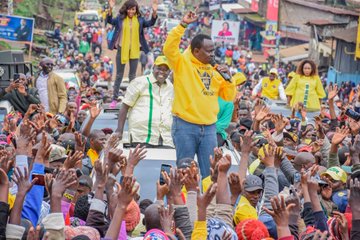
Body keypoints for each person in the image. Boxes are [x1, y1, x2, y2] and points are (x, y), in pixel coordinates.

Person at [163, 9, 236, 178]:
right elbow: (169, 48)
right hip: (185, 126)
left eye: (213, 50)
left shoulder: (215, 70)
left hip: (210, 128)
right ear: (196, 51)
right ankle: (184, 204)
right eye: (208, 51)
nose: (212, 54)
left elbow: (228, 97)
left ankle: (206, 205)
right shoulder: (182, 63)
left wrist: (229, 79)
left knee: (210, 175)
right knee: (185, 174)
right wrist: (182, 25)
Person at [106, 0, 158, 108]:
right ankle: (114, 99)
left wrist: (154, 12)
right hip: (121, 49)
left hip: (134, 50)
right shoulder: (120, 19)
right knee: (119, 75)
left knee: (132, 76)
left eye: (133, 9)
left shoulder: (140, 20)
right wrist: (110, 8)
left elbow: (150, 23)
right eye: (129, 9)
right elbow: (110, 20)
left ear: (136, 10)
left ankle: (131, 99)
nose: (131, 11)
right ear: (126, 9)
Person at [116, 56, 174, 147]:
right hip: (141, 137)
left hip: (165, 140)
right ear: (153, 67)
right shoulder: (139, 82)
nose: (162, 72)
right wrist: (119, 130)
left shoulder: (171, 87)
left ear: (169, 72)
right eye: (159, 68)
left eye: (166, 69)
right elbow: (125, 106)